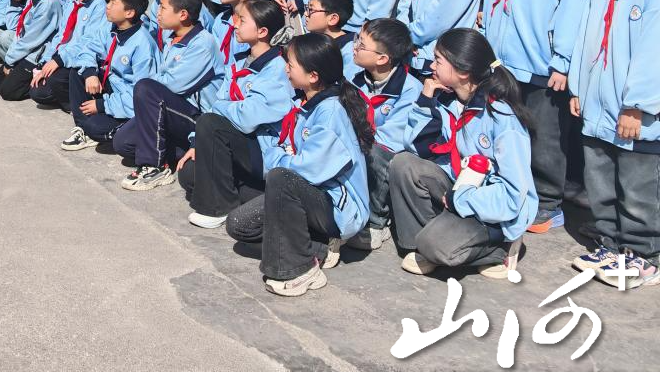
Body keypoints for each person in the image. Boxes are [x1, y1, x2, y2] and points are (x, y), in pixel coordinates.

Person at [483, 0, 597, 234]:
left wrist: (562, 61)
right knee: (510, 127)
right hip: (506, 58)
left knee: (545, 134)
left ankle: (548, 202)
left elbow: (574, 8)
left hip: (542, 62)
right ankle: (515, 189)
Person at [227, 33, 372, 297]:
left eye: (291, 64)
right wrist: (281, 157)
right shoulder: (302, 101)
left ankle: (299, 269)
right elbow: (284, 150)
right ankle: (319, 247)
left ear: (313, 75)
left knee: (281, 178)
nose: (285, 68)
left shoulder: (330, 112)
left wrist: (278, 158)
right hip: (307, 193)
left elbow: (307, 169)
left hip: (337, 206)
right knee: (239, 224)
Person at [392, 28, 537, 280]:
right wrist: (426, 100)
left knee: (437, 245)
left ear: (462, 71)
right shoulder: (449, 100)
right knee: (403, 164)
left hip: (494, 210)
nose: (431, 65)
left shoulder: (502, 118)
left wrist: (460, 199)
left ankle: (497, 248)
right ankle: (428, 243)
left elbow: (513, 194)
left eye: (438, 60)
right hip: (459, 189)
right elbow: (414, 146)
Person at [568, 0, 660, 287]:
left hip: (633, 111)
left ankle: (642, 255)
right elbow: (587, 37)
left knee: (637, 187)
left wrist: (637, 105)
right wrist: (578, 86)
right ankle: (609, 243)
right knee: (600, 179)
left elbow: (653, 52)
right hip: (598, 104)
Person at [177, 0, 292, 227]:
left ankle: (217, 207)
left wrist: (222, 108)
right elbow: (222, 104)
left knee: (210, 122)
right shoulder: (239, 62)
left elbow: (248, 117)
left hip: (261, 149)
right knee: (188, 174)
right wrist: (196, 144)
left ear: (262, 31)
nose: (235, 24)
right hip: (236, 144)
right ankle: (247, 195)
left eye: (242, 20)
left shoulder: (277, 68)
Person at [113, 0, 221, 190]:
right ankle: (177, 150)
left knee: (146, 88)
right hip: (172, 110)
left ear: (183, 14)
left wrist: (147, 87)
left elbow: (173, 85)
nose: (158, 13)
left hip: (198, 117)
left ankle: (155, 166)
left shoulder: (202, 44)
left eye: (163, 7)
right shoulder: (172, 37)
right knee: (123, 142)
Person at [346, 18, 418, 250]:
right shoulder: (353, 78)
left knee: (376, 154)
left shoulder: (410, 90)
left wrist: (355, 142)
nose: (355, 46)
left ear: (382, 59)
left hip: (391, 154)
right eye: (357, 39)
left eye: (362, 44)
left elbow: (391, 139)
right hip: (360, 142)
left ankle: (377, 222)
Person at [60, 0, 157, 151]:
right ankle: (83, 128)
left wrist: (103, 105)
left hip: (128, 104)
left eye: (113, 3)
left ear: (129, 12)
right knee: (78, 72)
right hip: (112, 88)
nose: (108, 6)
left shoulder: (142, 44)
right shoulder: (110, 27)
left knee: (96, 127)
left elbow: (139, 95)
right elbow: (88, 49)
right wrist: (90, 73)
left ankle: (96, 128)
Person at [29, 0, 111, 110]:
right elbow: (61, 36)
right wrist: (47, 61)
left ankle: (76, 105)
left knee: (53, 83)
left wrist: (59, 60)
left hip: (81, 61)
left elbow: (88, 43)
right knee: (36, 91)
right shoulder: (72, 2)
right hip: (64, 56)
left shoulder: (99, 6)